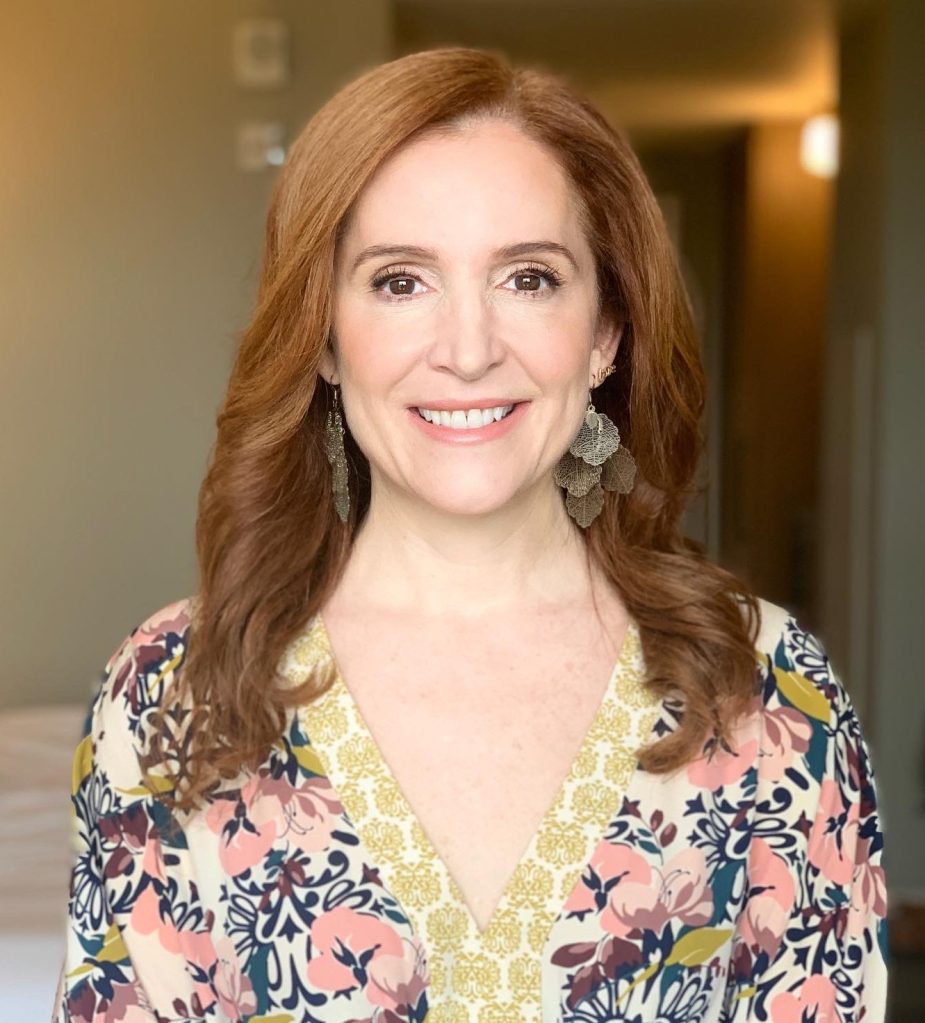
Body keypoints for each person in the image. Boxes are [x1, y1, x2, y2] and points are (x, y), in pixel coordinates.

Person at [53, 46, 888, 1023]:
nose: (467, 350)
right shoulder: (169, 695)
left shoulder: (767, 693)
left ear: (604, 333)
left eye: (527, 279)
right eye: (400, 281)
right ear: (324, 336)